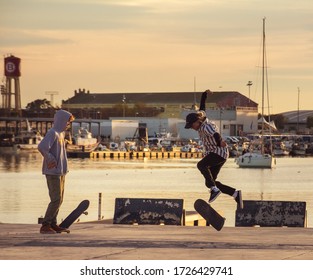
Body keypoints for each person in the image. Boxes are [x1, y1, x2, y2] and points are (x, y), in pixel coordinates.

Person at [184, 90, 243, 208]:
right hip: (219, 154)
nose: (192, 128)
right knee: (210, 182)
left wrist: (220, 141)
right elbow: (202, 108)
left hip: (218, 153)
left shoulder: (206, 127)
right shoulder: (201, 117)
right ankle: (235, 194)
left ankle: (214, 190)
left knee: (201, 165)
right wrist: (204, 95)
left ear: (197, 122)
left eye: (192, 126)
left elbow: (215, 134)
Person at [38, 109, 75, 234]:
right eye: (67, 122)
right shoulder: (52, 133)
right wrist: (50, 158)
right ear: (61, 121)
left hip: (61, 172)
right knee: (56, 199)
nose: (68, 125)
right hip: (53, 172)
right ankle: (45, 225)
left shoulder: (61, 134)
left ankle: (53, 224)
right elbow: (42, 147)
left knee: (60, 199)